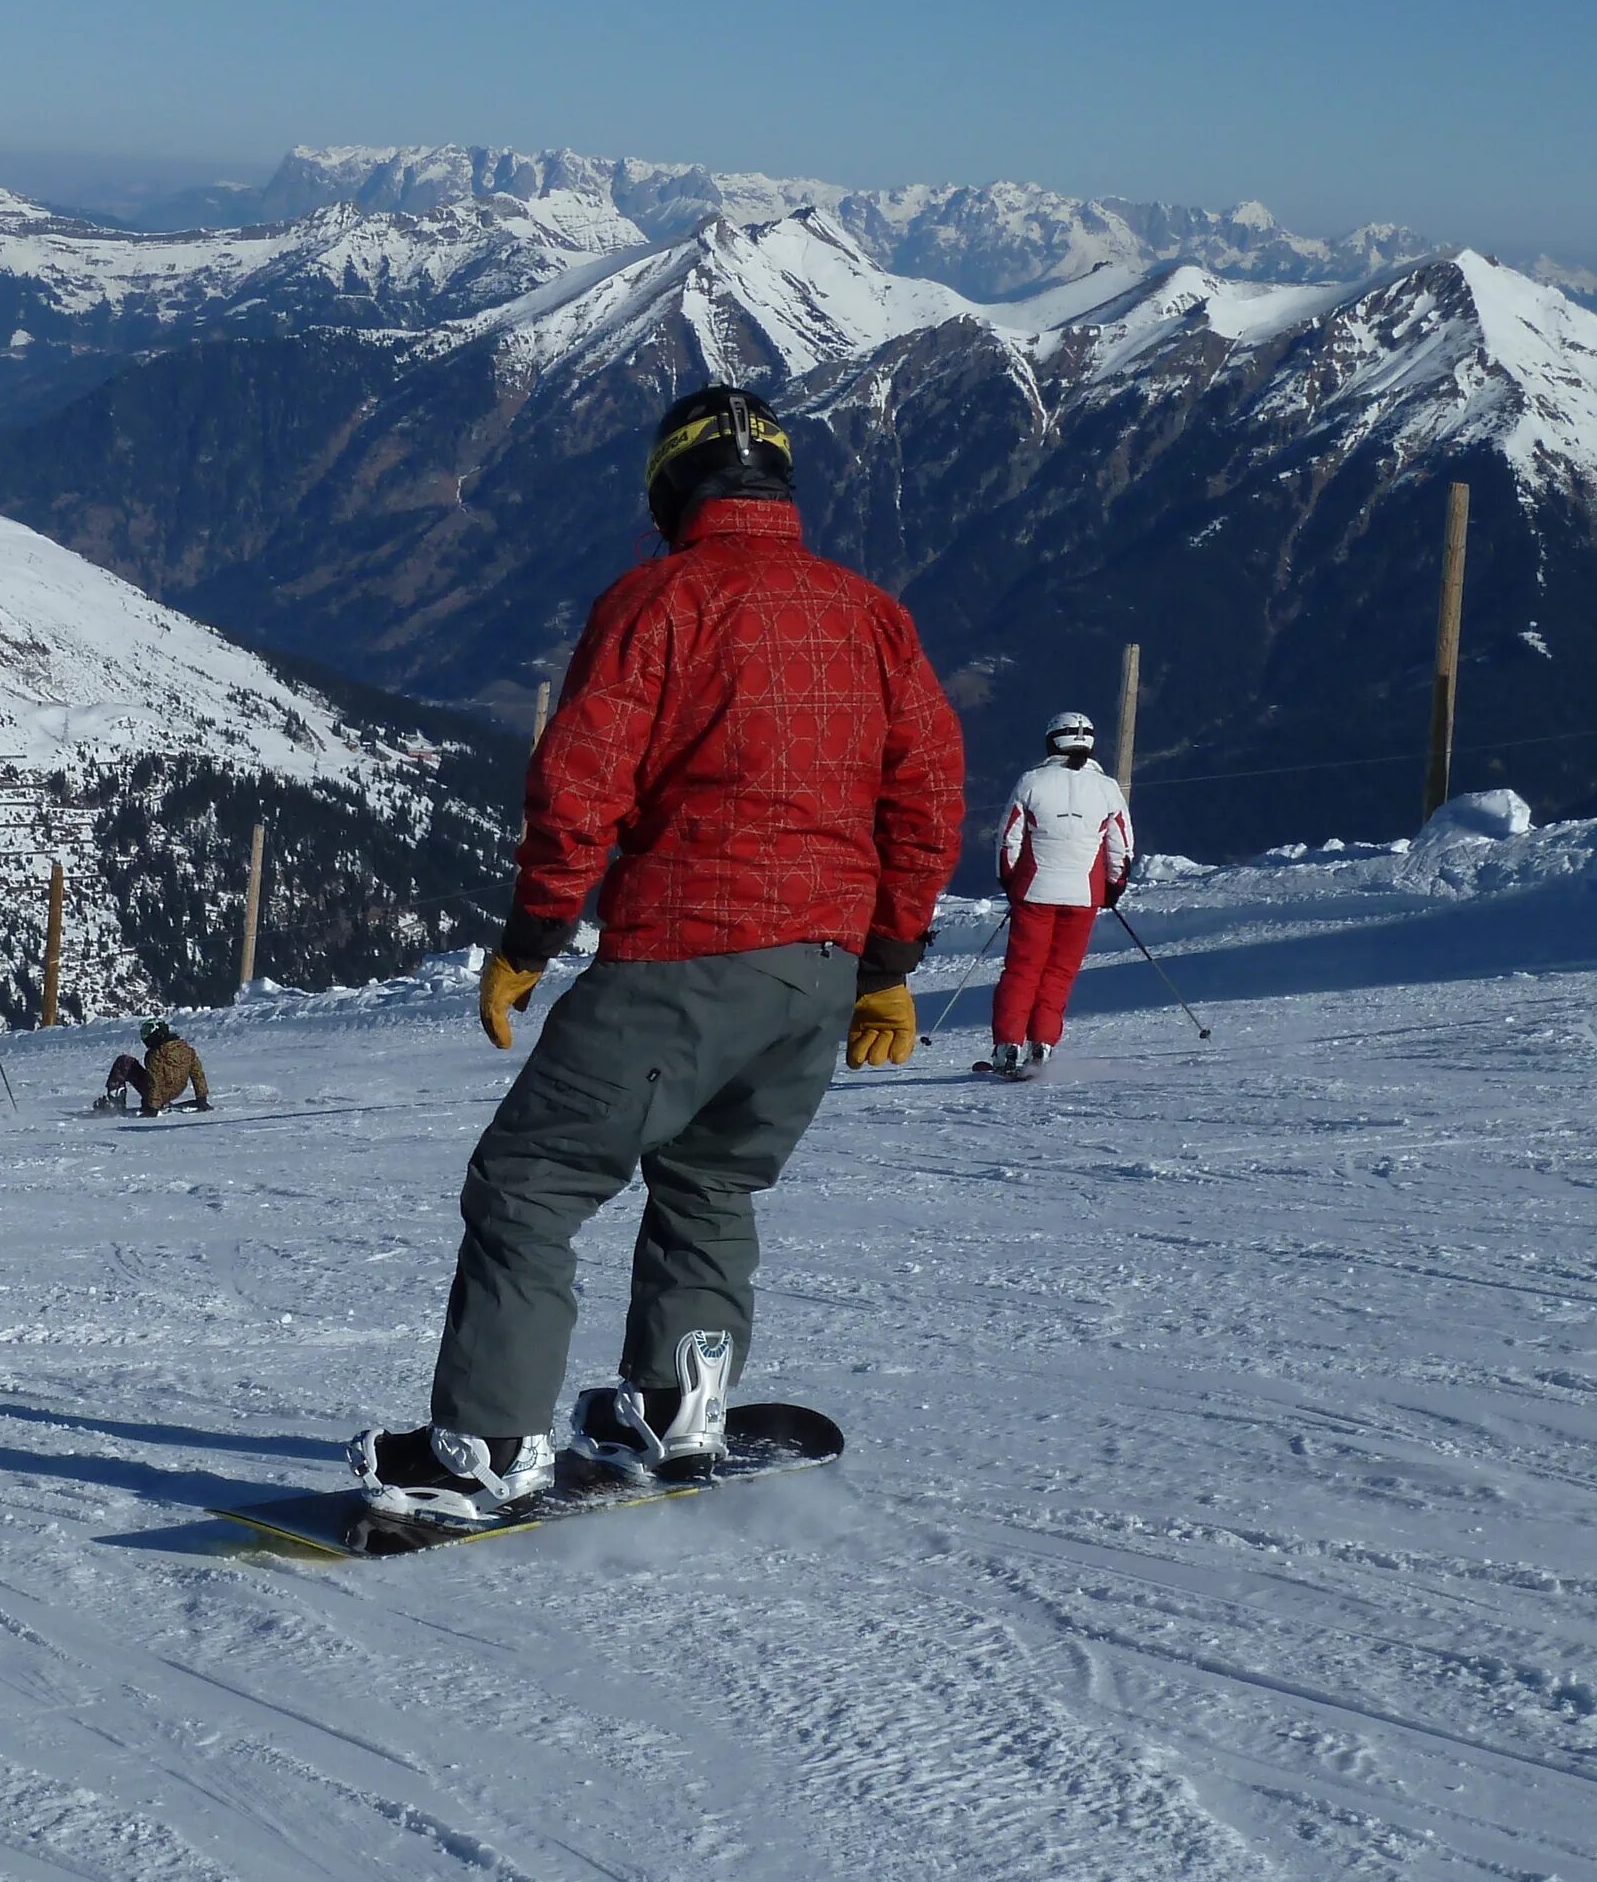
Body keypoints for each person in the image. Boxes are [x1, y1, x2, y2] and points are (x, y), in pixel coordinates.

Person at [355, 384, 966, 1526]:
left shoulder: (660, 601)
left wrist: (532, 935)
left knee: (530, 1183)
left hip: (688, 946)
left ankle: (489, 1449)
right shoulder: (870, 611)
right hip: (821, 968)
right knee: (713, 1176)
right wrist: (884, 961)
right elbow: (928, 792)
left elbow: (578, 782)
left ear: (668, 488)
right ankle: (680, 1411)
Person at [984, 711, 1135, 1079]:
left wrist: (1009, 881)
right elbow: (1122, 849)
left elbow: (1009, 841)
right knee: (1060, 971)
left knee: (1022, 969)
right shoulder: (1108, 788)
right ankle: (1043, 1044)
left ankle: (1008, 1045)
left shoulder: (1032, 781)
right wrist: (1113, 887)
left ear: (1052, 742)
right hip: (1085, 895)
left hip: (1035, 892)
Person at [101, 1019, 211, 1115]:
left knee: (124, 1061)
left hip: (158, 1095)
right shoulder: (187, 1050)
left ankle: (114, 1103)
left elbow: (155, 1081)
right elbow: (198, 1075)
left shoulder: (156, 1054)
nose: (145, 1037)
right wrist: (202, 1099)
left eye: (147, 1032)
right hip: (175, 1091)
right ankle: (160, 1101)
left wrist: (152, 1108)